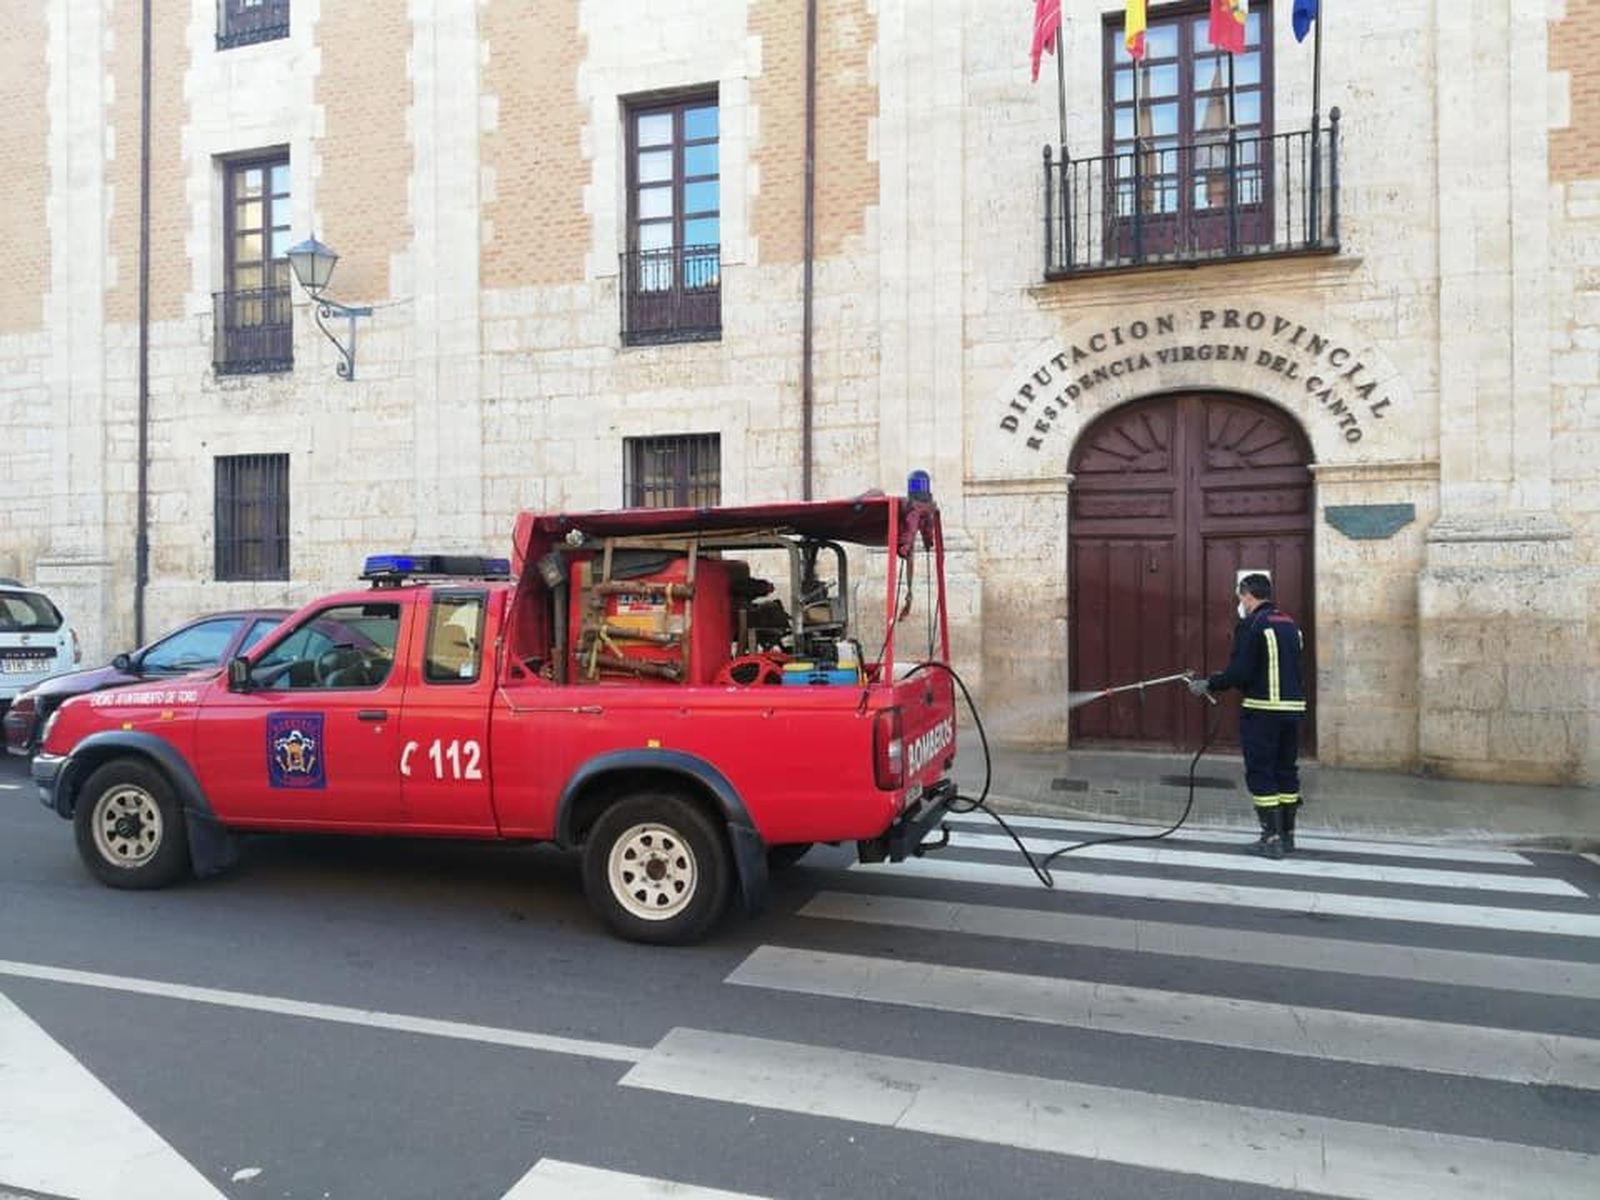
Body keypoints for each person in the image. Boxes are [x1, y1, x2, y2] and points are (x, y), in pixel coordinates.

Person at [1188, 574, 1306, 858]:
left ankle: (1271, 838)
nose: (1239, 603)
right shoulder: (1291, 625)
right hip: (1293, 711)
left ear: (1248, 595)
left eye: (1240, 597)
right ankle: (1288, 836)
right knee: (1286, 771)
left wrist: (1211, 683)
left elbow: (1241, 672)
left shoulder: (1252, 624)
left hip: (1263, 711)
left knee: (1261, 771)